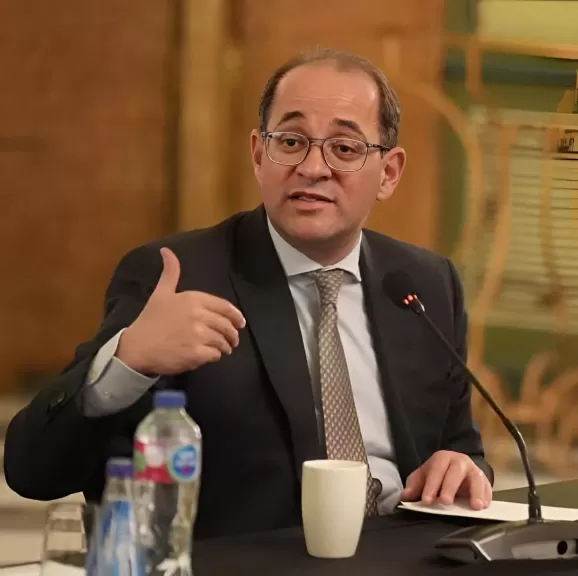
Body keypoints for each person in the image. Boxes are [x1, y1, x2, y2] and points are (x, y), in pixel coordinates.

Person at [4, 48, 493, 540]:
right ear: (259, 154)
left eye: (344, 148)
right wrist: (128, 362)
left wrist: (461, 466)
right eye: (291, 141)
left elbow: (460, 448)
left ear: (388, 172)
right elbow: (33, 470)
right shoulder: (178, 276)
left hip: (400, 558)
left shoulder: (426, 284)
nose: (313, 167)